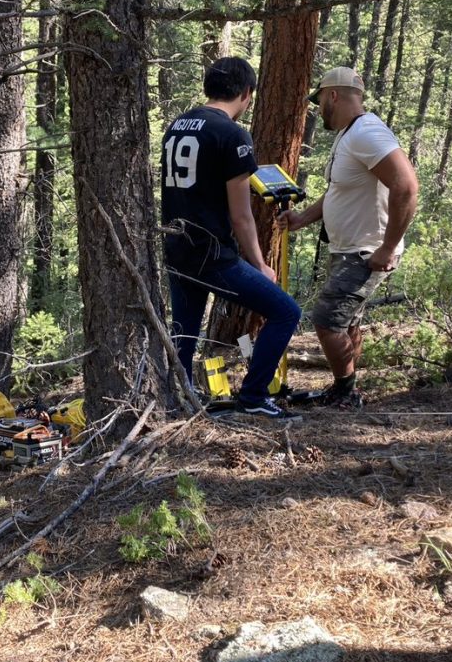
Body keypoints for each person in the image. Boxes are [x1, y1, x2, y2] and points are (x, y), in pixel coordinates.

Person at [162, 56, 301, 418]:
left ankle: (179, 401)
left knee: (185, 332)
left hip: (177, 248)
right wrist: (260, 264)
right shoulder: (232, 134)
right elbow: (241, 215)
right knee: (286, 312)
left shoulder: (178, 124)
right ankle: (254, 397)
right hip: (212, 253)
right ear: (246, 93)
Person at [278, 66, 418, 408]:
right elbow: (338, 192)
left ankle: (345, 392)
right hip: (351, 249)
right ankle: (347, 389)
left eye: (320, 99)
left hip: (365, 251)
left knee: (326, 321)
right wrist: (302, 219)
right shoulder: (349, 134)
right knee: (348, 319)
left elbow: (406, 186)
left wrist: (386, 248)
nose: (318, 106)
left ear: (334, 96)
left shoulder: (367, 133)